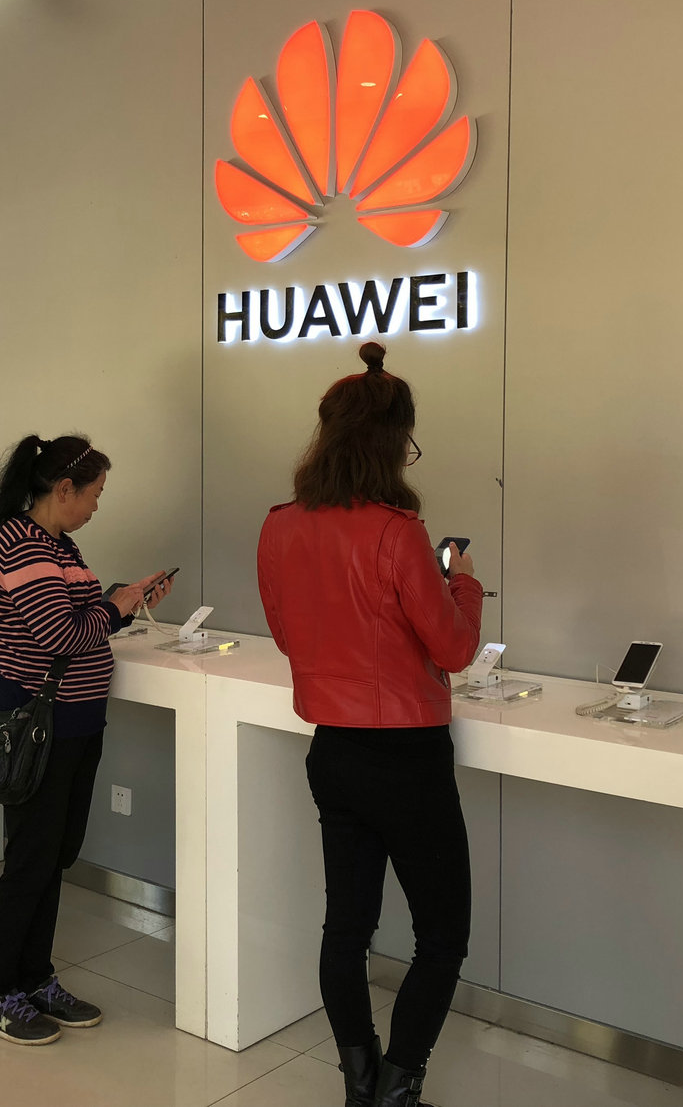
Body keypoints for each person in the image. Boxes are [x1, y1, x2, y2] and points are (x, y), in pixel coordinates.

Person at [256, 341, 482, 1107]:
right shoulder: (397, 532)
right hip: (409, 758)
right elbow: (453, 648)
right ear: (393, 440)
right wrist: (464, 585)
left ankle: (361, 1083)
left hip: (333, 753)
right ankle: (398, 1087)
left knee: (346, 930)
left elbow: (289, 636)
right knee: (441, 935)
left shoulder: (281, 525)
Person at [0, 434, 173, 1045]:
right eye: (94, 494)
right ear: (64, 489)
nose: (96, 506)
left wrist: (123, 602)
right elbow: (60, 635)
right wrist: (116, 608)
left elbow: (75, 619)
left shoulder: (59, 544)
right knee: (29, 861)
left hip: (75, 722)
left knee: (54, 857)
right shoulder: (21, 544)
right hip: (39, 725)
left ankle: (34, 977)